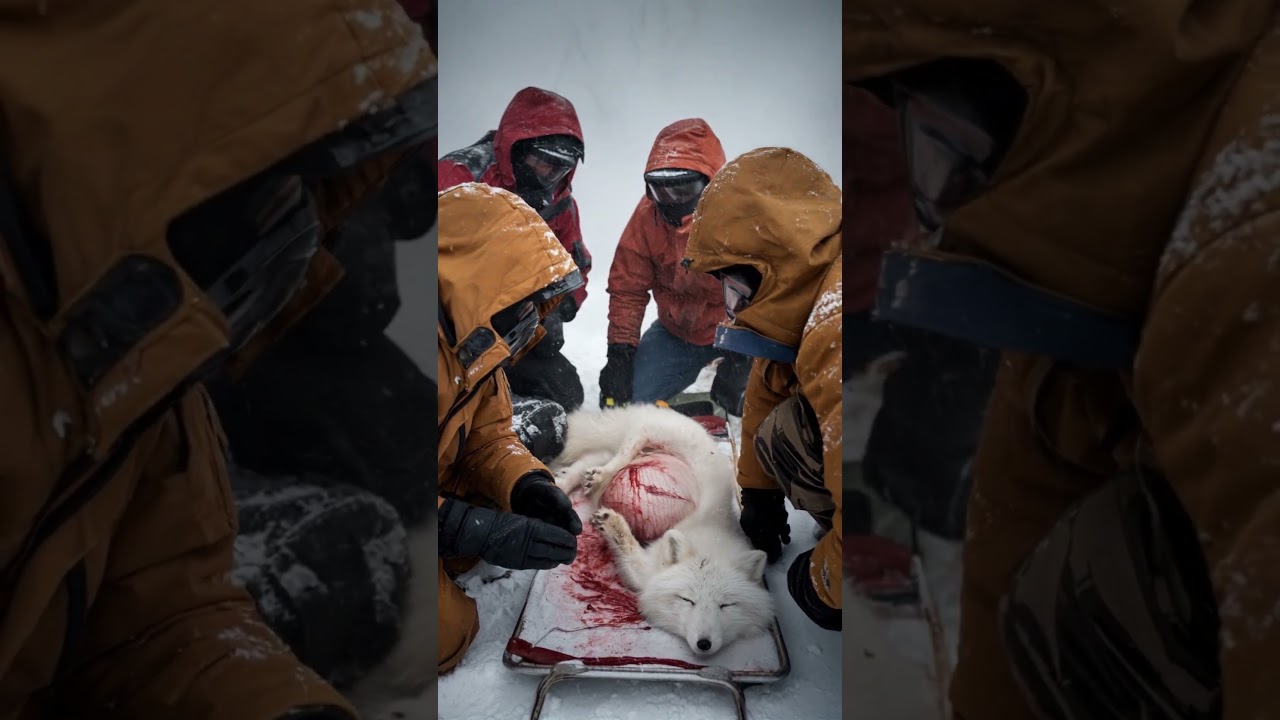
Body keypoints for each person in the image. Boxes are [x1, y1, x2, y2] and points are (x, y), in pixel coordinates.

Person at [0, 2, 436, 718]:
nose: (297, 231)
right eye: (277, 198)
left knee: (403, 454)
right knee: (349, 546)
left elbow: (160, 621)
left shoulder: (151, 376)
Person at [847, 3, 1280, 718]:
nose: (945, 221)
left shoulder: (1250, 260)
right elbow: (1029, 508)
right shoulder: (1093, 235)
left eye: (944, 152)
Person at [840, 86, 999, 598]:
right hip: (859, 295)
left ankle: (898, 510)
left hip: (900, 284)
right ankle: (869, 505)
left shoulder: (882, 113)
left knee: (951, 394)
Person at [683, 147, 843, 631]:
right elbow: (767, 388)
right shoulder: (809, 298)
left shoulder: (837, 330)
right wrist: (759, 493)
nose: (732, 308)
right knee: (778, 423)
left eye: (733, 290)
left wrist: (825, 583)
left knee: (786, 431)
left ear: (772, 266)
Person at [437, 183, 586, 674]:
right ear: (480, 281)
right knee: (441, 634)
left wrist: (526, 484)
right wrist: (465, 527)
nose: (528, 318)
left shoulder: (479, 343)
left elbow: (490, 437)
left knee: (502, 513)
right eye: (521, 301)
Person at [438, 86, 591, 419]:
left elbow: (575, 265)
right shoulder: (460, 176)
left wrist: (555, 308)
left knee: (567, 393)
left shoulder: (561, 203)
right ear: (517, 148)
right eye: (543, 162)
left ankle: (501, 405)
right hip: (451, 330)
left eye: (560, 168)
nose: (550, 175)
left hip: (518, 329)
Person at [598, 118, 752, 415]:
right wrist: (619, 354)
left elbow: (769, 293)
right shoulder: (646, 217)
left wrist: (744, 357)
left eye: (683, 189)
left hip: (738, 332)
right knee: (628, 403)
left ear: (710, 184)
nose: (671, 200)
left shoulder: (742, 219)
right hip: (677, 334)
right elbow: (628, 289)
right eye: (661, 191)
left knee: (756, 402)